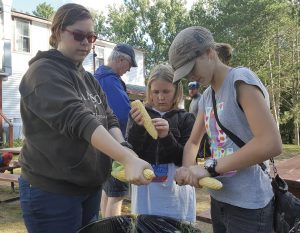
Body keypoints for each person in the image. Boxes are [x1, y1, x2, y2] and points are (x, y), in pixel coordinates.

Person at [18, 4, 152, 233]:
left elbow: (108, 119)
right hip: (52, 192)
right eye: (79, 35)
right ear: (59, 32)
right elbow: (80, 120)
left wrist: (124, 149)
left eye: (91, 37)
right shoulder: (42, 72)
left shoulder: (88, 78)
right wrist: (127, 159)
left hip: (88, 187)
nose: (87, 43)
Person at [169, 26, 282, 233]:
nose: (191, 77)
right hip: (219, 200)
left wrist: (209, 168)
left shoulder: (241, 80)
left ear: (210, 53)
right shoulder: (206, 97)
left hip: (249, 205)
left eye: (193, 68)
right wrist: (187, 169)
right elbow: (193, 142)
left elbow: (270, 142)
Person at [126, 63, 196, 222]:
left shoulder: (186, 119)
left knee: (176, 225)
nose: (160, 97)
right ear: (149, 91)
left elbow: (183, 159)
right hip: (146, 188)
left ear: (176, 90)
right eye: (155, 92)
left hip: (175, 188)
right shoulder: (137, 115)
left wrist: (166, 136)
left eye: (166, 91)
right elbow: (131, 152)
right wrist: (137, 128)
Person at [94, 44, 137, 217]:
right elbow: (122, 115)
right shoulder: (110, 81)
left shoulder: (98, 77)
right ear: (121, 60)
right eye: (129, 65)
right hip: (115, 144)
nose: (128, 70)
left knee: (108, 190)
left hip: (102, 144)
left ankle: (104, 226)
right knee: (117, 194)